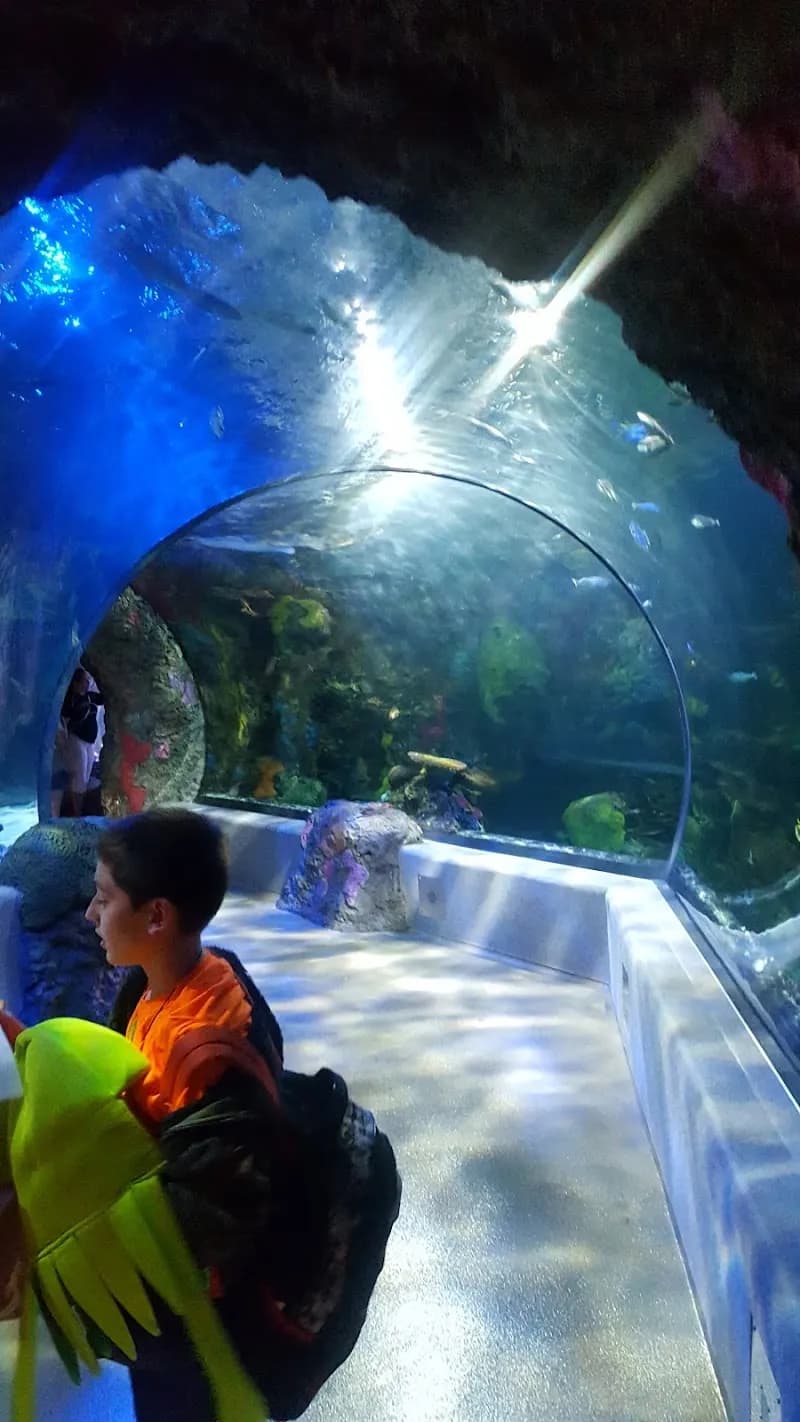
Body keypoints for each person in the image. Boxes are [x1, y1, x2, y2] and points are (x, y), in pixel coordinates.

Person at [86, 809, 285, 1420]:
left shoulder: (206, 1048)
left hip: (197, 1316)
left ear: (156, 917)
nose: (91, 914)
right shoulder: (163, 982)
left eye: (104, 899)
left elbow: (207, 1220)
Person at [61, 667, 104, 817]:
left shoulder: (90, 696)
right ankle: (77, 812)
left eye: (87, 681)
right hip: (76, 740)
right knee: (79, 776)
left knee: (85, 777)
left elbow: (103, 698)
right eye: (84, 681)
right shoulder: (70, 700)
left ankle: (81, 808)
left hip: (89, 742)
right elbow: (66, 719)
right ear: (75, 683)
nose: (87, 684)